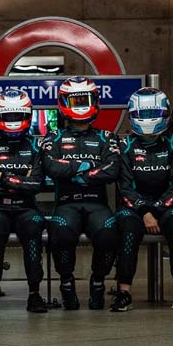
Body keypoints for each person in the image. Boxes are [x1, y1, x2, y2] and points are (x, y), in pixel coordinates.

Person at [41, 76, 121, 310]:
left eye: (84, 99)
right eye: (74, 100)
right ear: (64, 102)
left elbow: (113, 170)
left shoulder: (106, 136)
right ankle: (67, 284)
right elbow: (51, 168)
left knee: (108, 233)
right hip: (66, 203)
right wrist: (87, 168)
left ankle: (98, 282)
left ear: (95, 100)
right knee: (61, 233)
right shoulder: (53, 137)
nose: (79, 105)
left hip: (97, 202)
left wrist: (72, 172)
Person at [110, 88, 173, 313]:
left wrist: (155, 210)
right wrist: (145, 212)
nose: (147, 119)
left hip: (166, 207)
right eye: (142, 114)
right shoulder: (124, 147)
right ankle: (124, 292)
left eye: (153, 113)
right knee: (127, 230)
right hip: (134, 209)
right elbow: (124, 187)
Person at [0, 89, 48, 314]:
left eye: (17, 115)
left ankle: (34, 294)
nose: (12, 121)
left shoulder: (37, 146)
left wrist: (5, 178)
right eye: (7, 116)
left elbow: (37, 185)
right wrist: (21, 181)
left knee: (34, 231)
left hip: (27, 209)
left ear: (27, 115)